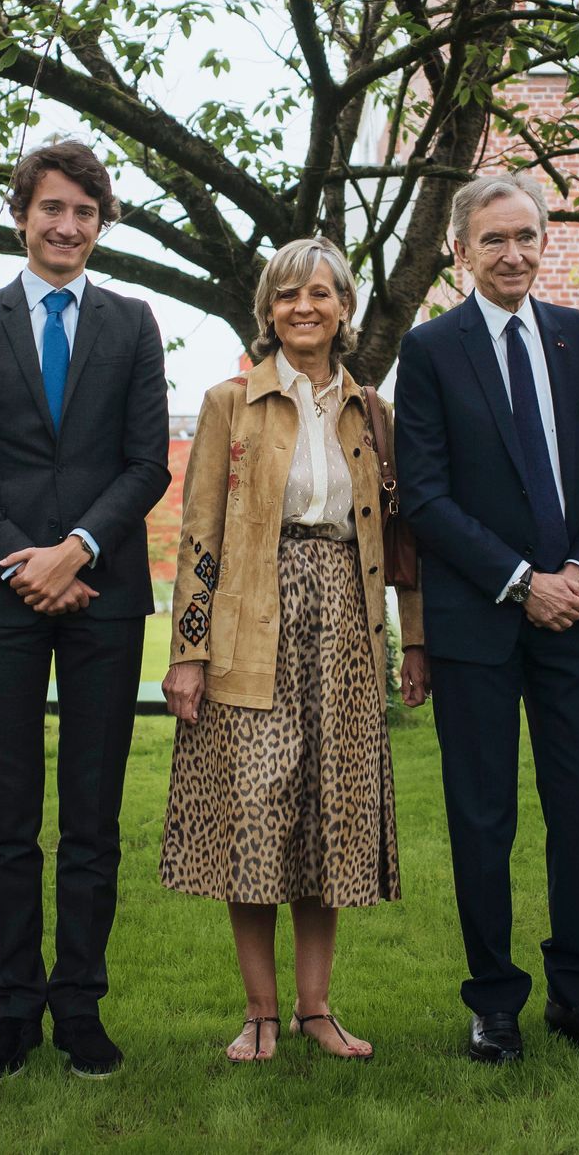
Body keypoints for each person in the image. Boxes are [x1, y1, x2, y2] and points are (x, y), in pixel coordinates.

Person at [0, 141, 169, 1082]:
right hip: (1, 591)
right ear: (20, 212)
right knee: (9, 816)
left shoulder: (134, 321)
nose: (68, 227)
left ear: (102, 225)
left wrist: (78, 549)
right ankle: (12, 1009)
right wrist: (20, 557)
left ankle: (81, 1008)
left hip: (104, 591)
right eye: (52, 209)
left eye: (86, 214)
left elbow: (148, 461)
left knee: (94, 815)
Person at [158, 238, 430, 1063]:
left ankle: (317, 1008)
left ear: (345, 307)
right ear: (267, 310)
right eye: (287, 295)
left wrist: (413, 642)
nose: (304, 307)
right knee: (254, 817)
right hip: (252, 622)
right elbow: (199, 533)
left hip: (346, 623)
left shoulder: (372, 411)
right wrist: (188, 651)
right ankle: (260, 1011)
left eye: (320, 293)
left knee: (329, 818)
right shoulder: (228, 403)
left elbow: (404, 540)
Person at [394, 173, 579, 1065]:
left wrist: (573, 571)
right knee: (483, 815)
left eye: (527, 236)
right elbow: (422, 494)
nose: (513, 254)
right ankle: (493, 999)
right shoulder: (428, 352)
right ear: (460, 249)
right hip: (480, 627)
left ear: (545, 241)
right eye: (494, 239)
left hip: (573, 616)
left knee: (578, 813)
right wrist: (516, 579)